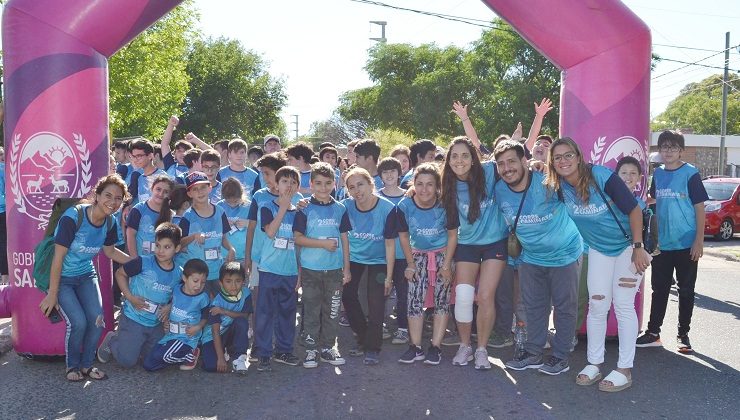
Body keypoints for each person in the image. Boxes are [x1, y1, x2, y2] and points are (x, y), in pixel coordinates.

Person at [544, 137, 651, 389]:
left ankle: (624, 369)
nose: (563, 161)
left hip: (628, 247)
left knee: (623, 305)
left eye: (568, 155)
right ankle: (594, 363)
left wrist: (638, 247)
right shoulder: (558, 186)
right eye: (557, 157)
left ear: (579, 156)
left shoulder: (603, 177)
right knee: (597, 304)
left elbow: (635, 210)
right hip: (600, 250)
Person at [491, 140, 583, 375]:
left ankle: (560, 356)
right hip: (530, 257)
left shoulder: (548, 182)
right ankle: (533, 352)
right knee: (534, 307)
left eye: (512, 161)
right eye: (501, 164)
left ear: (525, 161)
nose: (507, 168)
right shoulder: (499, 189)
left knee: (565, 307)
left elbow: (580, 192)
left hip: (564, 254)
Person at [38, 174, 132, 381]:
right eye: (108, 195)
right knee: (78, 323)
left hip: (86, 275)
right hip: (62, 277)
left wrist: (136, 262)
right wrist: (52, 294)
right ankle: (72, 366)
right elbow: (58, 258)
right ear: (96, 196)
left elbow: (110, 252)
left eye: (118, 198)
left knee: (97, 321)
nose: (113, 202)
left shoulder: (110, 222)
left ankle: (87, 365)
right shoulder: (74, 216)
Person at [636, 130, 708, 353]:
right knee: (660, 290)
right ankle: (653, 332)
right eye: (664, 147)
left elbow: (699, 207)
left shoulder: (690, 173)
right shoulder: (657, 175)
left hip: (687, 243)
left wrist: (699, 241)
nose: (667, 151)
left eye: (673, 147)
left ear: (681, 150)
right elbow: (652, 199)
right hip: (662, 245)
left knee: (686, 291)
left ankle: (683, 335)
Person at [440, 137, 509, 370]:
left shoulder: (490, 171)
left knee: (485, 296)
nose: (459, 161)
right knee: (463, 296)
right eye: (454, 156)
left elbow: (515, 163)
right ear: (448, 161)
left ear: (473, 158)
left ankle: (481, 349)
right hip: (467, 244)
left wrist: (536, 165)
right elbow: (451, 230)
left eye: (465, 155)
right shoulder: (447, 186)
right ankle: (464, 346)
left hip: (495, 243)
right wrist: (447, 264)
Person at [396, 163, 459, 365]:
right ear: (413, 184)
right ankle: (415, 347)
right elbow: (404, 237)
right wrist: (410, 264)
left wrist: (447, 265)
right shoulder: (404, 206)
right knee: (414, 300)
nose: (425, 189)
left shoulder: (446, 205)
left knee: (442, 300)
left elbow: (452, 235)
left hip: (442, 255)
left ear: (437, 186)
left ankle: (436, 346)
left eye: (430, 184)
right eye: (420, 184)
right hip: (417, 256)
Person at [97, 223, 183, 368]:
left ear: (177, 248)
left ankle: (135, 343)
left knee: (153, 359)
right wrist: (130, 297)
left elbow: (180, 296)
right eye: (158, 245)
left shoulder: (179, 273)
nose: (160, 251)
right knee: (127, 361)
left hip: (155, 324)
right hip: (133, 318)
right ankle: (113, 340)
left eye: (167, 247)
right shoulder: (142, 262)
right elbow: (120, 274)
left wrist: (169, 307)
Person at [293, 162, 352, 368]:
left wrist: (347, 267)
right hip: (311, 270)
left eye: (328, 183)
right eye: (318, 183)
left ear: (334, 183)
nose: (323, 187)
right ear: (311, 184)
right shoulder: (304, 208)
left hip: (335, 270)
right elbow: (298, 239)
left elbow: (344, 239)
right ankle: (311, 350)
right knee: (311, 310)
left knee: (332, 311)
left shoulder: (340, 208)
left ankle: (328, 347)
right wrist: (322, 244)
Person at [342, 167, 397, 365]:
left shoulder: (388, 208)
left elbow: (390, 243)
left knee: (376, 301)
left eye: (360, 184)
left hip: (379, 260)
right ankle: (363, 336)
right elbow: (327, 208)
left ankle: (373, 347)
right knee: (347, 295)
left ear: (371, 184)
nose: (357, 190)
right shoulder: (345, 206)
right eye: (352, 187)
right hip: (354, 258)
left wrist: (389, 276)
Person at [255, 166, 303, 371]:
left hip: (290, 271)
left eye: (293, 182)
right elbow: (271, 232)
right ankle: (263, 352)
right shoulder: (267, 206)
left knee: (287, 312)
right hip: (269, 268)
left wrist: (300, 272)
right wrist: (284, 207)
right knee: (265, 312)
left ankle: (284, 350)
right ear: (276, 183)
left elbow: (300, 244)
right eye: (284, 181)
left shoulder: (301, 211)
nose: (289, 185)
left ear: (298, 186)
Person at [143, 258, 210, 371]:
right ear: (184, 278)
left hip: (186, 339)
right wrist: (167, 322)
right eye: (195, 281)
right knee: (148, 364)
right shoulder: (176, 289)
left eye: (203, 282)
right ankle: (180, 356)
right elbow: (173, 307)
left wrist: (198, 327)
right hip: (171, 335)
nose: (198, 285)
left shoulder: (202, 297)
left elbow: (206, 316)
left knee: (164, 356)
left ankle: (192, 353)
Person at [178, 172, 236, 296]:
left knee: (217, 308)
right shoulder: (188, 216)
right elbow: (179, 245)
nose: (200, 192)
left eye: (203, 187)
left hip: (217, 272)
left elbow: (223, 238)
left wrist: (231, 249)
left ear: (210, 188)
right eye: (195, 189)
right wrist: (193, 236)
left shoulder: (220, 212)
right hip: (197, 275)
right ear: (189, 193)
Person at [377, 157, 410, 345]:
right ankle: (379, 324)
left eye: (393, 171)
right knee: (381, 292)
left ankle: (403, 328)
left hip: (404, 255)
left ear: (399, 174)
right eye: (385, 172)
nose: (389, 175)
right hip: (381, 256)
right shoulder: (375, 196)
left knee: (404, 294)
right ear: (380, 175)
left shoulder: (409, 195)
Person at [200, 262, 253, 373]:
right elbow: (215, 332)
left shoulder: (246, 294)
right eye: (228, 281)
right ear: (221, 283)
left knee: (241, 322)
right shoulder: (216, 303)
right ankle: (218, 351)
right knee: (212, 367)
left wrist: (224, 311)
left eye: (238, 281)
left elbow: (245, 316)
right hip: (212, 337)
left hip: (229, 333)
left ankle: (239, 358)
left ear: (243, 282)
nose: (233, 286)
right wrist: (220, 358)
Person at [125, 175, 175, 258]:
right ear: (152, 189)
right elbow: (130, 236)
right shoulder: (138, 209)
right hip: (141, 260)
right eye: (158, 189)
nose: (161, 194)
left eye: (166, 192)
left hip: (161, 263)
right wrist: (135, 259)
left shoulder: (171, 215)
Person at [217, 178, 250, 265]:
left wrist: (248, 223)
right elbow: (212, 227)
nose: (232, 204)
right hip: (225, 255)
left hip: (243, 255)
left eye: (235, 201)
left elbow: (260, 227)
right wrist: (222, 223)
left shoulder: (249, 206)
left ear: (241, 194)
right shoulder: (219, 206)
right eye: (228, 202)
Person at [127, 139, 169, 205]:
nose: (135, 160)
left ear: (150, 156)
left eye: (139, 156)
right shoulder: (140, 178)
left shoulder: (162, 177)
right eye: (133, 156)